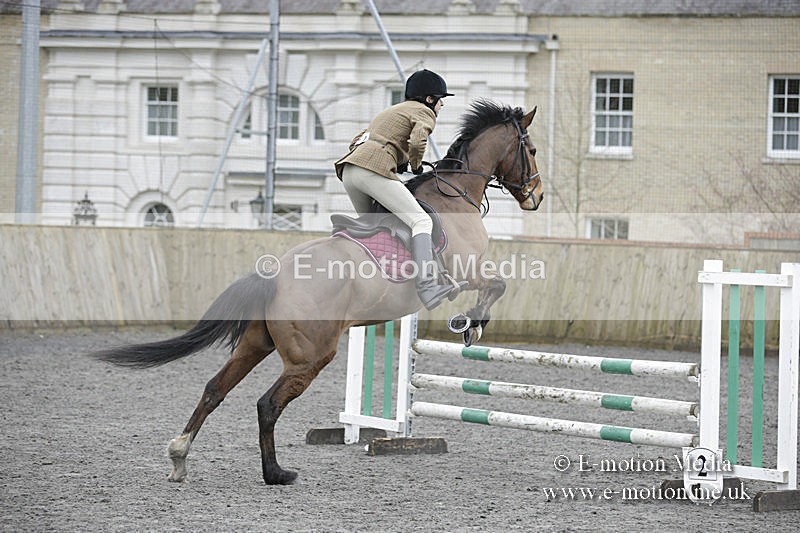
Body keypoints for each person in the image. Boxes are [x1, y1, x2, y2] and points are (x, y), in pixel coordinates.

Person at [334, 69, 465, 310]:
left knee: (373, 227)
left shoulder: (391, 111)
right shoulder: (423, 112)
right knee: (421, 222)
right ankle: (428, 286)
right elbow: (418, 141)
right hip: (372, 170)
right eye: (440, 98)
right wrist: (415, 165)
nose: (442, 103)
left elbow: (357, 141)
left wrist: (397, 159)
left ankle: (371, 281)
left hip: (350, 170)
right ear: (429, 99)